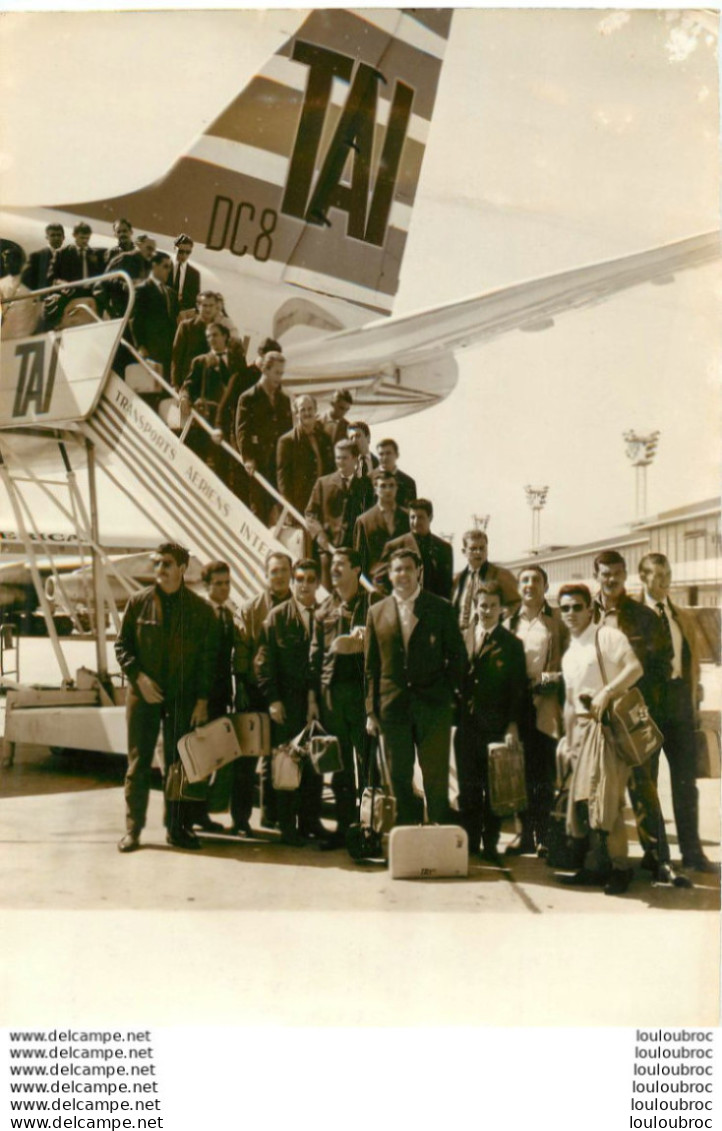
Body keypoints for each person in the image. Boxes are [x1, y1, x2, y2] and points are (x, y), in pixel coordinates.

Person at [592, 549, 690, 886]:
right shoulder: (584, 613)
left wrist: (642, 702)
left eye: (617, 573)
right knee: (601, 788)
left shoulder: (643, 617)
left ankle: (658, 858)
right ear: (597, 576)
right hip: (595, 716)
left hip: (633, 713)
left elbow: (662, 664)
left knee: (644, 787)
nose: (611, 579)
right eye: (605, 573)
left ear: (625, 575)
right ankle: (602, 858)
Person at [114, 542, 218, 853]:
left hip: (181, 698)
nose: (160, 569)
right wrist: (138, 677)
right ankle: (133, 831)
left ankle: (177, 828)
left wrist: (201, 700)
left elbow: (207, 660)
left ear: (183, 569)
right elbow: (122, 647)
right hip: (143, 695)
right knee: (138, 763)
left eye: (167, 564)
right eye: (157, 563)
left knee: (179, 764)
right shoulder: (138, 602)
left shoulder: (201, 610)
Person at [365, 548, 467, 826]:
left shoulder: (440, 608)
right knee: (399, 777)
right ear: (389, 573)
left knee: (435, 777)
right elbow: (372, 667)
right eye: (397, 569)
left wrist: (447, 695)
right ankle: (407, 838)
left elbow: (458, 657)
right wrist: (371, 711)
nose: (403, 575)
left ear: (418, 571)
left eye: (408, 569)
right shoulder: (376, 612)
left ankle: (438, 837)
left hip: (433, 707)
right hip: (393, 708)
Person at [557, 583, 643, 896]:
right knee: (585, 803)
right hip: (580, 732)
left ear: (590, 609)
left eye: (577, 607)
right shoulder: (569, 653)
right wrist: (567, 742)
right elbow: (568, 703)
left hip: (607, 729)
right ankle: (595, 867)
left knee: (609, 801)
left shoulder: (607, 636)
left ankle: (620, 868)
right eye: (564, 608)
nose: (570, 614)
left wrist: (608, 691)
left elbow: (635, 668)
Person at [638, 552, 715, 873]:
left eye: (668, 574)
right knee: (647, 783)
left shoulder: (681, 616)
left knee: (686, 782)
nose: (665, 581)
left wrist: (694, 697)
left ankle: (692, 852)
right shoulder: (632, 615)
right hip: (646, 711)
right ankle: (655, 854)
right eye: (657, 575)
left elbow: (691, 660)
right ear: (643, 578)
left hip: (680, 708)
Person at [454, 580, 528, 864]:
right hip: (466, 724)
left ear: (502, 610)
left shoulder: (511, 645)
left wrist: (511, 725)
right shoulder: (463, 637)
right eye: (482, 605)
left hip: (495, 724)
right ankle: (470, 841)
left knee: (493, 788)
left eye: (493, 606)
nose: (487, 611)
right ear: (475, 607)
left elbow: (517, 689)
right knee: (468, 785)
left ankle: (490, 843)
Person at [255, 558, 323, 846]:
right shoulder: (277, 617)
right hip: (288, 703)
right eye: (299, 579)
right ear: (293, 583)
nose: (304, 584)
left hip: (318, 704)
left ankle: (311, 822)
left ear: (318, 583)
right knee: (286, 763)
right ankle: (287, 826)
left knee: (315, 764)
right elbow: (263, 662)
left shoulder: (327, 615)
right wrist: (272, 700)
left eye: (310, 578)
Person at [310, 547, 373, 849]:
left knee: (368, 764)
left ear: (356, 569)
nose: (334, 569)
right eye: (332, 564)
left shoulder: (373, 605)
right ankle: (345, 828)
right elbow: (315, 655)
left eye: (340, 564)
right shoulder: (324, 609)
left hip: (362, 695)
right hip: (332, 695)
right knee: (339, 765)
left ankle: (370, 828)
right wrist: (314, 697)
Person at [505, 565, 568, 856]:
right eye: (525, 580)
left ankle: (543, 834)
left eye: (536, 580)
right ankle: (523, 835)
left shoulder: (557, 621)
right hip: (516, 703)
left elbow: (570, 659)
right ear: (519, 587)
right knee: (516, 771)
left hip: (545, 703)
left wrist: (553, 679)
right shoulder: (510, 621)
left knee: (542, 773)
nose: (529, 585)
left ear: (545, 585)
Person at [235, 551, 293, 830]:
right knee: (247, 759)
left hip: (285, 695)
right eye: (273, 571)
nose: (278, 576)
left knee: (279, 756)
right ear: (265, 574)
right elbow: (242, 651)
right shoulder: (251, 609)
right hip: (254, 692)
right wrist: (242, 688)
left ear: (290, 573)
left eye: (283, 570)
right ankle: (240, 819)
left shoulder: (300, 606)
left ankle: (272, 814)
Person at [187, 560, 237, 836]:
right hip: (201, 700)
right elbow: (199, 662)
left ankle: (201, 814)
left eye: (227, 583)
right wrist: (200, 701)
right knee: (198, 758)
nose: (224, 588)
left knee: (214, 758)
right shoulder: (199, 614)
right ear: (206, 586)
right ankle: (188, 816)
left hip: (219, 698)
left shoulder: (226, 614)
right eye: (218, 584)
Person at [305, 439, 374, 589]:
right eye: (337, 457)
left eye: (344, 458)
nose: (340, 462)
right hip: (328, 553)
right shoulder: (323, 483)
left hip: (355, 556)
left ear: (355, 459)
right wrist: (320, 536)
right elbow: (310, 514)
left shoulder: (366, 485)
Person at [180, 322, 249, 469]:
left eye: (215, 335)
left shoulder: (237, 360)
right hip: (210, 419)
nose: (212, 339)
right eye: (208, 336)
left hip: (232, 419)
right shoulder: (200, 361)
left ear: (225, 336)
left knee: (232, 464)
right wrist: (185, 397)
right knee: (212, 462)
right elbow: (188, 385)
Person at [235, 351, 293, 524]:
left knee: (280, 510)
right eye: (277, 373)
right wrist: (248, 458)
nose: (279, 378)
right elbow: (243, 431)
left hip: (278, 463)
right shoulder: (248, 398)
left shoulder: (283, 399)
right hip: (259, 463)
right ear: (265, 370)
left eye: (282, 373)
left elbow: (287, 431)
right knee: (259, 510)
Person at [276, 394, 335, 517]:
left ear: (315, 410)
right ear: (296, 413)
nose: (307, 413)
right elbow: (283, 481)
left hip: (323, 503)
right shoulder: (287, 441)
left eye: (310, 409)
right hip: (300, 505)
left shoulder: (325, 438)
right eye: (303, 410)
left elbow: (331, 470)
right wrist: (289, 510)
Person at [383, 498, 454, 600]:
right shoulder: (394, 546)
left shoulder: (444, 549)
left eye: (420, 517)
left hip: (433, 610)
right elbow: (381, 581)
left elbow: (447, 587)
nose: (416, 522)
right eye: (412, 517)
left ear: (430, 518)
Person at [452, 529, 521, 628]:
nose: (478, 552)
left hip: (487, 636)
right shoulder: (458, 579)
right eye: (473, 548)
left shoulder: (501, 575)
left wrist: (505, 614)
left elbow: (518, 603)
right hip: (459, 636)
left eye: (482, 548)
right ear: (464, 551)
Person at [353, 470, 410, 584]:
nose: (388, 490)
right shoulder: (364, 521)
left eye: (391, 485)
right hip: (377, 583)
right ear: (375, 489)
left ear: (396, 488)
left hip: (405, 579)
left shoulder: (407, 517)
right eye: (383, 486)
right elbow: (360, 559)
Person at [131, 251, 178, 380]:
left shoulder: (171, 294)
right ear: (154, 266)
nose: (168, 271)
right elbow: (136, 319)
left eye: (170, 267)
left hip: (168, 350)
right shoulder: (143, 290)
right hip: (151, 348)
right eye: (165, 266)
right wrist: (141, 345)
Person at [170, 290, 220, 388]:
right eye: (205, 305)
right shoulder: (186, 327)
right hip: (187, 382)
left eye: (211, 305)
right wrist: (175, 383)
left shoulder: (221, 331)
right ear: (198, 306)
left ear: (216, 307)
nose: (208, 309)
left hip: (208, 387)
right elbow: (176, 356)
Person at [0, 248, 39, 338]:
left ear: (20, 262)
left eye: (12, 260)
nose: (8, 264)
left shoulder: (31, 282)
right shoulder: (1, 284)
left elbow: (38, 309)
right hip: (5, 335)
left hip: (25, 332)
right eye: (6, 262)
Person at [375, 438, 418, 509]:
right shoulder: (368, 480)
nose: (385, 457)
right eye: (381, 454)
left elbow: (411, 512)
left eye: (388, 453)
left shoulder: (408, 482)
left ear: (397, 455)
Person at [21, 223, 65, 290]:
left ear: (63, 237)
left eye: (59, 235)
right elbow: (25, 280)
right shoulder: (36, 256)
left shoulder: (68, 255)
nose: (56, 238)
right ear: (47, 237)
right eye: (53, 235)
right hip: (42, 296)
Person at [170, 233, 201, 314]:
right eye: (181, 251)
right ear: (174, 248)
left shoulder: (194, 274)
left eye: (188, 252)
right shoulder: (165, 266)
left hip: (181, 314)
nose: (184, 255)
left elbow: (194, 299)